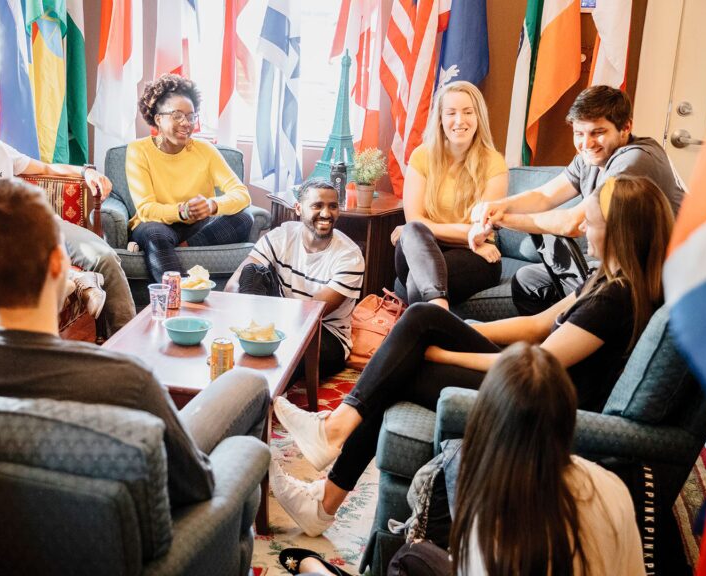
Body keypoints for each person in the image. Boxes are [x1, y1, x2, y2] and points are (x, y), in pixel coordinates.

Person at [269, 175, 673, 537]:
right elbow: (536, 326)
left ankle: (329, 470)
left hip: (542, 399)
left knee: (409, 359)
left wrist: (445, 353)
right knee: (423, 319)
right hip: (533, 378)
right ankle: (330, 462)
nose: (583, 228)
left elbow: (541, 364)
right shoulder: (604, 280)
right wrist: (463, 330)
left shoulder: (616, 299)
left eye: (592, 222)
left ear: (620, 230)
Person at [0, 177, 270, 507]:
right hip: (154, 545)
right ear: (58, 264)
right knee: (249, 388)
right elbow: (195, 487)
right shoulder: (126, 382)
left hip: (6, 533)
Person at [0, 82, 135, 334]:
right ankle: (75, 282)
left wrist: (86, 172)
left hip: (38, 224)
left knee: (104, 256)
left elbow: (45, 168)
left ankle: (125, 338)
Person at [468, 85, 685, 315]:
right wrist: (497, 206)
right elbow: (544, 196)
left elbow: (574, 223)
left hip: (654, 275)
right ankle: (558, 335)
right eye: (579, 134)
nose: (587, 144)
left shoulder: (634, 160)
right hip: (621, 266)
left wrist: (499, 221)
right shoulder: (589, 158)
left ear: (626, 127)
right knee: (528, 279)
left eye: (597, 132)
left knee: (550, 293)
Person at [449, 343, 644, 574]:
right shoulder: (612, 488)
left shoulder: (485, 516)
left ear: (486, 421)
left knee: (415, 555)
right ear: (568, 421)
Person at [224, 179, 364, 379]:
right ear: (299, 208)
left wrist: (268, 329)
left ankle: (260, 381)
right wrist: (247, 317)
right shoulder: (282, 236)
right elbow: (233, 284)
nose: (326, 213)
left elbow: (312, 313)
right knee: (253, 271)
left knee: (281, 354)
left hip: (324, 335)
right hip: (277, 320)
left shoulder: (350, 255)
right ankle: (252, 344)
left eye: (332, 206)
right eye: (317, 206)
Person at [127, 74, 254, 281]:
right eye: (177, 115)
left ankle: (179, 248)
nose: (186, 123)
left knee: (244, 218)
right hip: (156, 224)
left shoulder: (205, 150)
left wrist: (212, 205)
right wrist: (182, 211)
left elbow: (241, 194)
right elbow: (146, 209)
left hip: (197, 226)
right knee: (155, 235)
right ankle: (183, 293)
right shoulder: (138, 150)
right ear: (158, 119)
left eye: (191, 116)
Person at [392, 81, 507, 308]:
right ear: (440, 119)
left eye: (468, 112)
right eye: (451, 113)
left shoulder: (494, 163)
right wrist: (467, 235)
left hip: (476, 256)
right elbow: (415, 221)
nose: (459, 120)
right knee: (414, 231)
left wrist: (471, 237)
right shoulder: (422, 156)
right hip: (425, 248)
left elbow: (481, 230)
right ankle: (438, 313)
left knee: (418, 276)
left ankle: (436, 313)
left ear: (478, 117)